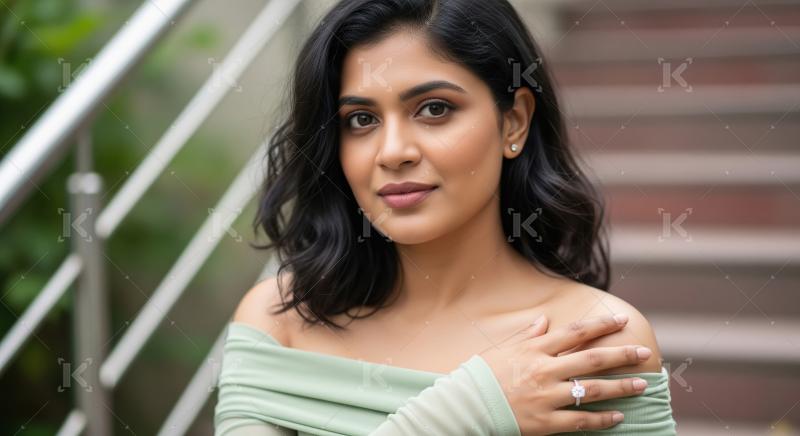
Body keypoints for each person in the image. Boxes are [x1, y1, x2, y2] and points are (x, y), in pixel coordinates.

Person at [215, 0, 677, 434]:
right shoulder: (278, 322)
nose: (392, 152)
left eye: (434, 109)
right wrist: (472, 409)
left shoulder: (590, 344)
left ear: (514, 122)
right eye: (361, 119)